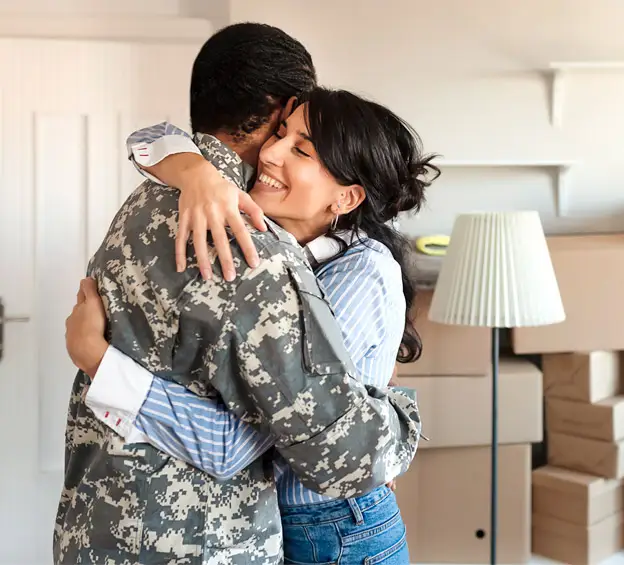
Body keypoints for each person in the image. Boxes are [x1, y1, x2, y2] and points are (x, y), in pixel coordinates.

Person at [55, 23, 422, 565]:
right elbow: (330, 454)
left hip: (95, 525)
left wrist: (98, 362)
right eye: (286, 133)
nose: (276, 154)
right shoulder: (254, 252)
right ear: (280, 107)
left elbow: (153, 139)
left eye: (303, 147)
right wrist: (399, 413)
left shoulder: (146, 200)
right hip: (201, 542)